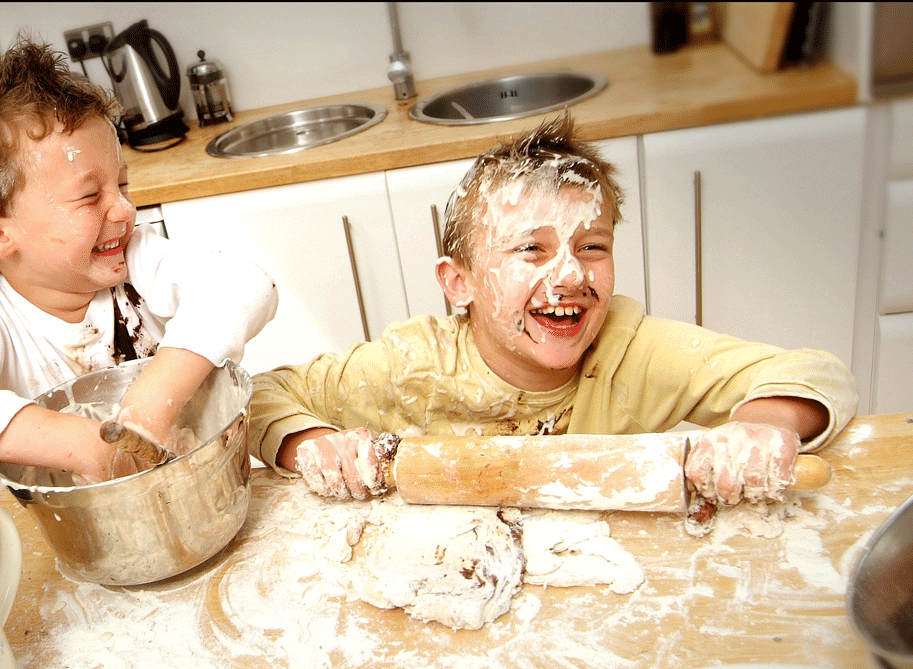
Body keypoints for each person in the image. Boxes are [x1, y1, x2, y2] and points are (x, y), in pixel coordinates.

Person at [247, 112, 857, 508]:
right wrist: (316, 442)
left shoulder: (630, 352)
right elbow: (261, 396)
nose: (569, 275)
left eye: (592, 247)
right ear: (458, 284)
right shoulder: (414, 365)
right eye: (530, 249)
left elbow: (815, 371)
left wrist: (758, 427)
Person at [0, 38, 277, 483]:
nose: (124, 210)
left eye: (122, 185)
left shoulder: (137, 258)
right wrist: (85, 446)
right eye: (90, 196)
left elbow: (247, 283)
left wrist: (149, 407)